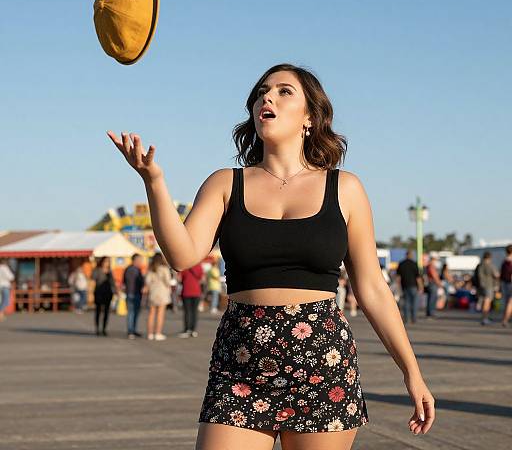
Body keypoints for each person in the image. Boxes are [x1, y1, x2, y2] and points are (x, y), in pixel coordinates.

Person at [108, 64, 435, 448]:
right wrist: (154, 182)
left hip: (322, 362)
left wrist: (411, 372)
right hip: (240, 363)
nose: (268, 97)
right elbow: (182, 255)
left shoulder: (345, 188)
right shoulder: (225, 183)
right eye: (263, 91)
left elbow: (373, 290)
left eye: (284, 91)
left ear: (310, 117)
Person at [144, 252, 172, 340]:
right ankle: (158, 333)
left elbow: (147, 281)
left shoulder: (151, 269)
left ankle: (150, 333)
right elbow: (168, 281)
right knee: (160, 313)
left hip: (153, 292)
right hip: (162, 292)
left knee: (151, 313)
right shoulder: (164, 268)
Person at [177, 263, 204, 337]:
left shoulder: (185, 266)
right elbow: (201, 278)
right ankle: (193, 330)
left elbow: (180, 279)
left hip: (186, 291)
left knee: (187, 311)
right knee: (194, 312)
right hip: (196, 291)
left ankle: (187, 329)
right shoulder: (199, 266)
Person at [396, 251, 422, 324]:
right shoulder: (414, 264)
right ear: (411, 255)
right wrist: (420, 286)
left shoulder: (401, 264)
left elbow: (398, 277)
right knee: (414, 303)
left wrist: (398, 286)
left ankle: (406, 319)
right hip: (414, 286)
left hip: (404, 285)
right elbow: (418, 277)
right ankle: (414, 319)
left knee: (406, 302)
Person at [92, 257, 116, 336]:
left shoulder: (110, 272)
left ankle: (104, 329)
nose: (107, 263)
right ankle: (97, 328)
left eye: (108, 262)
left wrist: (116, 291)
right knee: (98, 311)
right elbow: (93, 279)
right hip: (98, 293)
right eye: (106, 261)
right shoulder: (97, 270)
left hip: (108, 293)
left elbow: (112, 283)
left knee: (106, 312)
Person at [123, 253, 145, 339]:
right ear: (135, 260)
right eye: (139, 260)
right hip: (133, 293)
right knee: (132, 313)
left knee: (134, 313)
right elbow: (136, 282)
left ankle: (133, 330)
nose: (141, 262)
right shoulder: (133, 270)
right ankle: (131, 331)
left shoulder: (130, 269)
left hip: (133, 293)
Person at [478, 252, 499, 325]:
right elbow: (496, 274)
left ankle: (484, 318)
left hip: (482, 286)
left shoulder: (480, 265)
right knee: (487, 301)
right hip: (489, 285)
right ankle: (485, 318)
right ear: (489, 257)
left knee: (484, 301)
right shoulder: (489, 265)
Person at [499, 244, 512, 327]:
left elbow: (501, 274)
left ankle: (504, 319)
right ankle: (505, 320)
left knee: (506, 302)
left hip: (504, 283)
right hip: (510, 283)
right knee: (510, 303)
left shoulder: (504, 261)